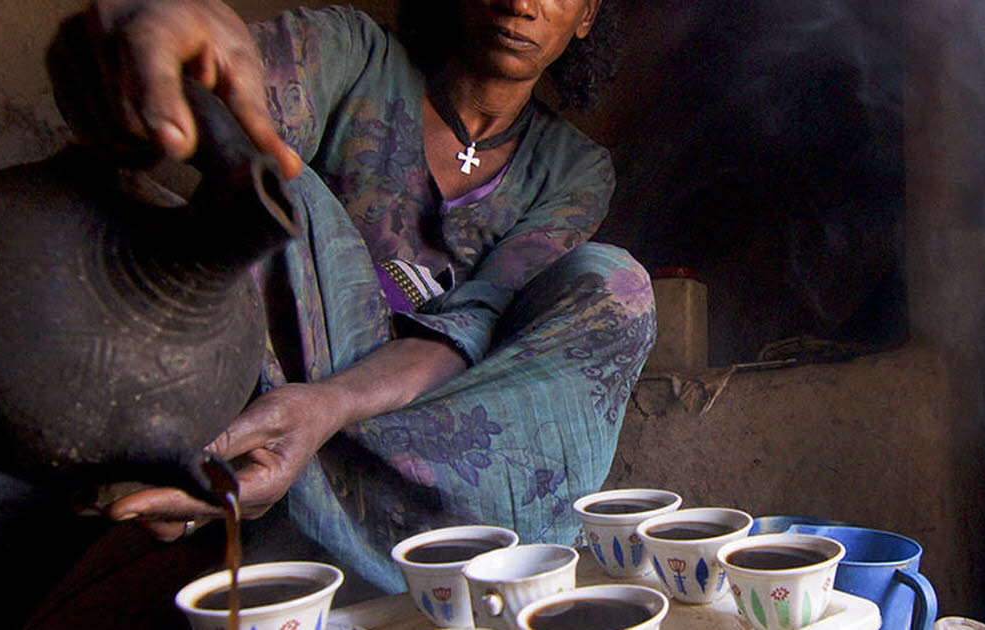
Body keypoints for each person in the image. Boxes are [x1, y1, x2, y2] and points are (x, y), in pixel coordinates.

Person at [37, 0, 656, 621]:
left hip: (453, 416)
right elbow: (231, 90)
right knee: (277, 182)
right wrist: (171, 62)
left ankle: (275, 484)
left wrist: (327, 411)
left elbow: (480, 317)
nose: (522, 3)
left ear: (585, 16)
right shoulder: (356, 54)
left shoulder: (574, 167)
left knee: (614, 282)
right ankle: (278, 474)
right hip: (296, 378)